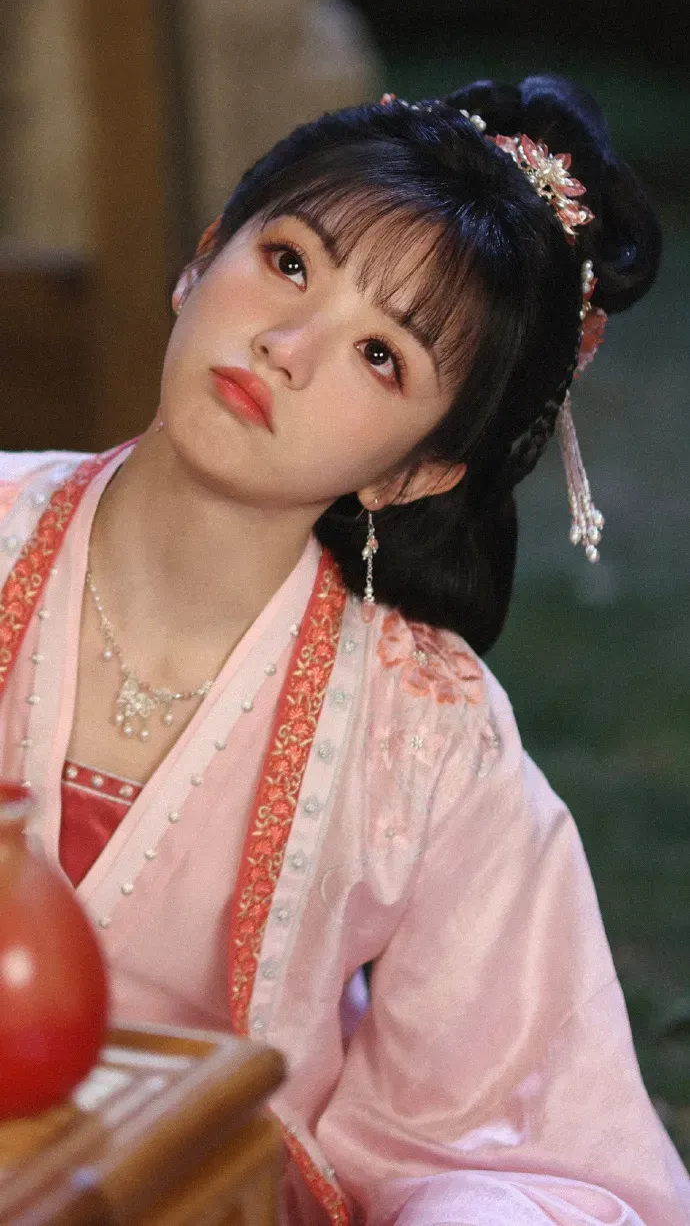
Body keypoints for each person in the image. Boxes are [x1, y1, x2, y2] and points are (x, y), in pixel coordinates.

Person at [0, 76, 687, 1225]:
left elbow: (523, 1145)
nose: (288, 347)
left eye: (380, 355)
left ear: (416, 472)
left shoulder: (422, 726)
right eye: (288, 264)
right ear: (200, 260)